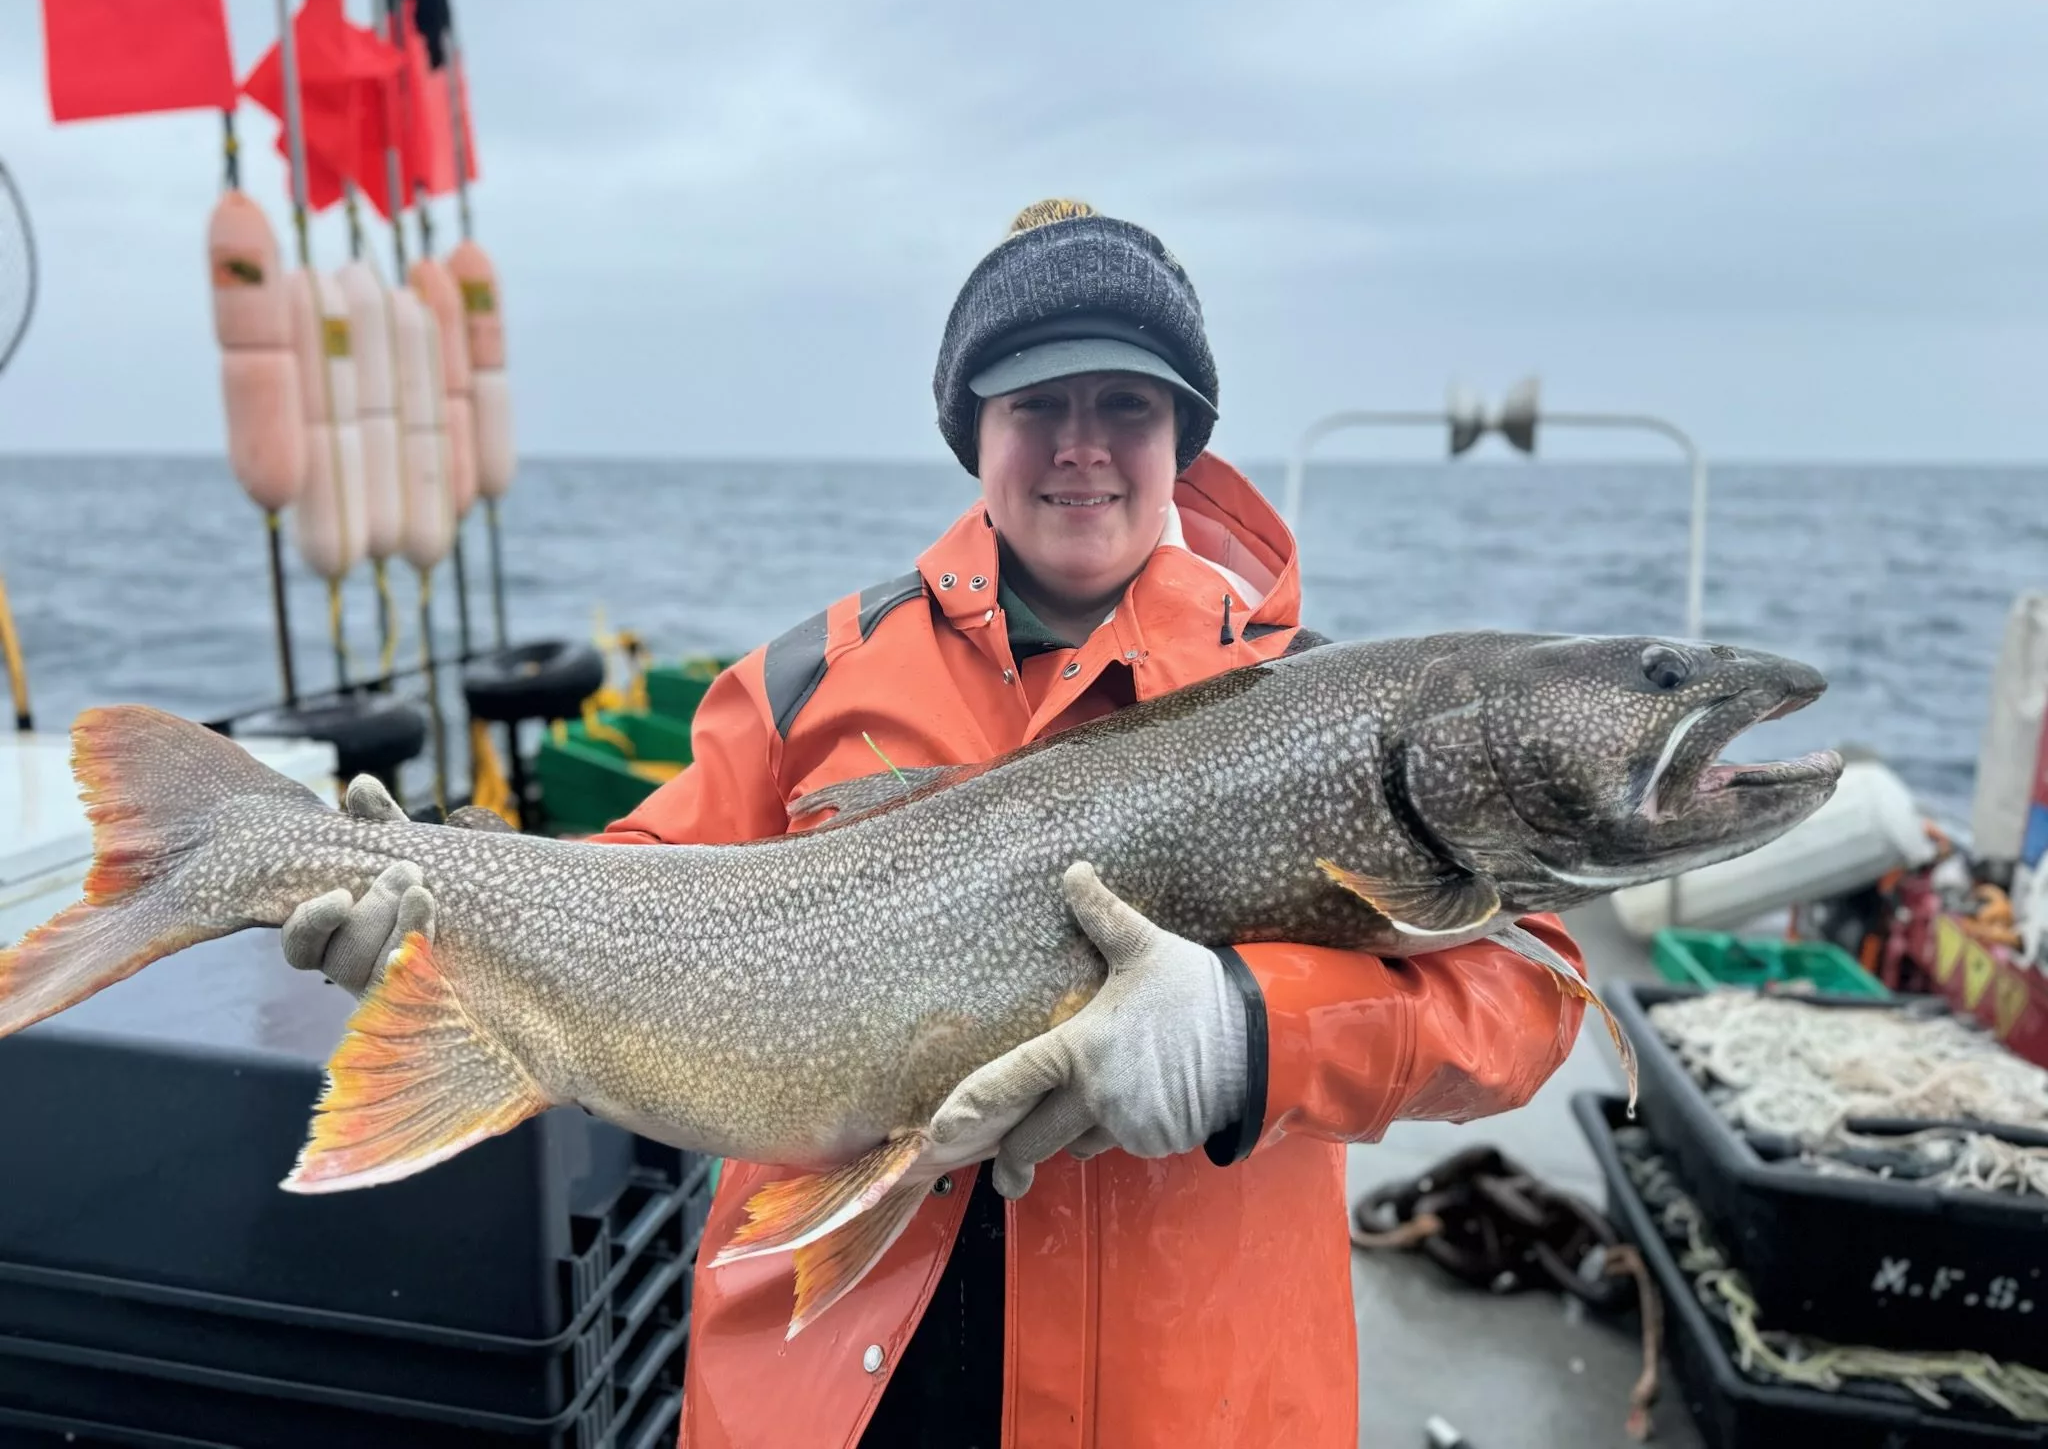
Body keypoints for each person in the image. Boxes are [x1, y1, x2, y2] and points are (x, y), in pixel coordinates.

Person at [280, 198, 1588, 1448]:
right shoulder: (810, 676)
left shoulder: (1319, 704)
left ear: (1183, 437)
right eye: (1038, 405)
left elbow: (1525, 1003)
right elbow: (642, 883)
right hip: (839, 1371)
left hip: (1190, 1394)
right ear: (976, 433)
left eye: (1124, 404)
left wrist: (1254, 1037)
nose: (1082, 444)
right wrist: (444, 925)